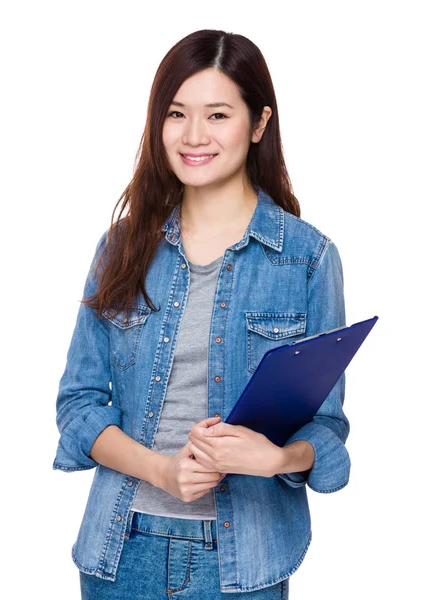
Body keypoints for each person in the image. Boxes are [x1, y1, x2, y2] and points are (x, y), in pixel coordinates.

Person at [53, 29, 351, 599]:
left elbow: (326, 427)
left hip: (245, 565)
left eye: (217, 114)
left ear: (259, 123)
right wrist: (162, 471)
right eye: (176, 113)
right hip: (122, 552)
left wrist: (276, 458)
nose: (193, 136)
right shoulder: (121, 248)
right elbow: (78, 405)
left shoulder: (307, 260)